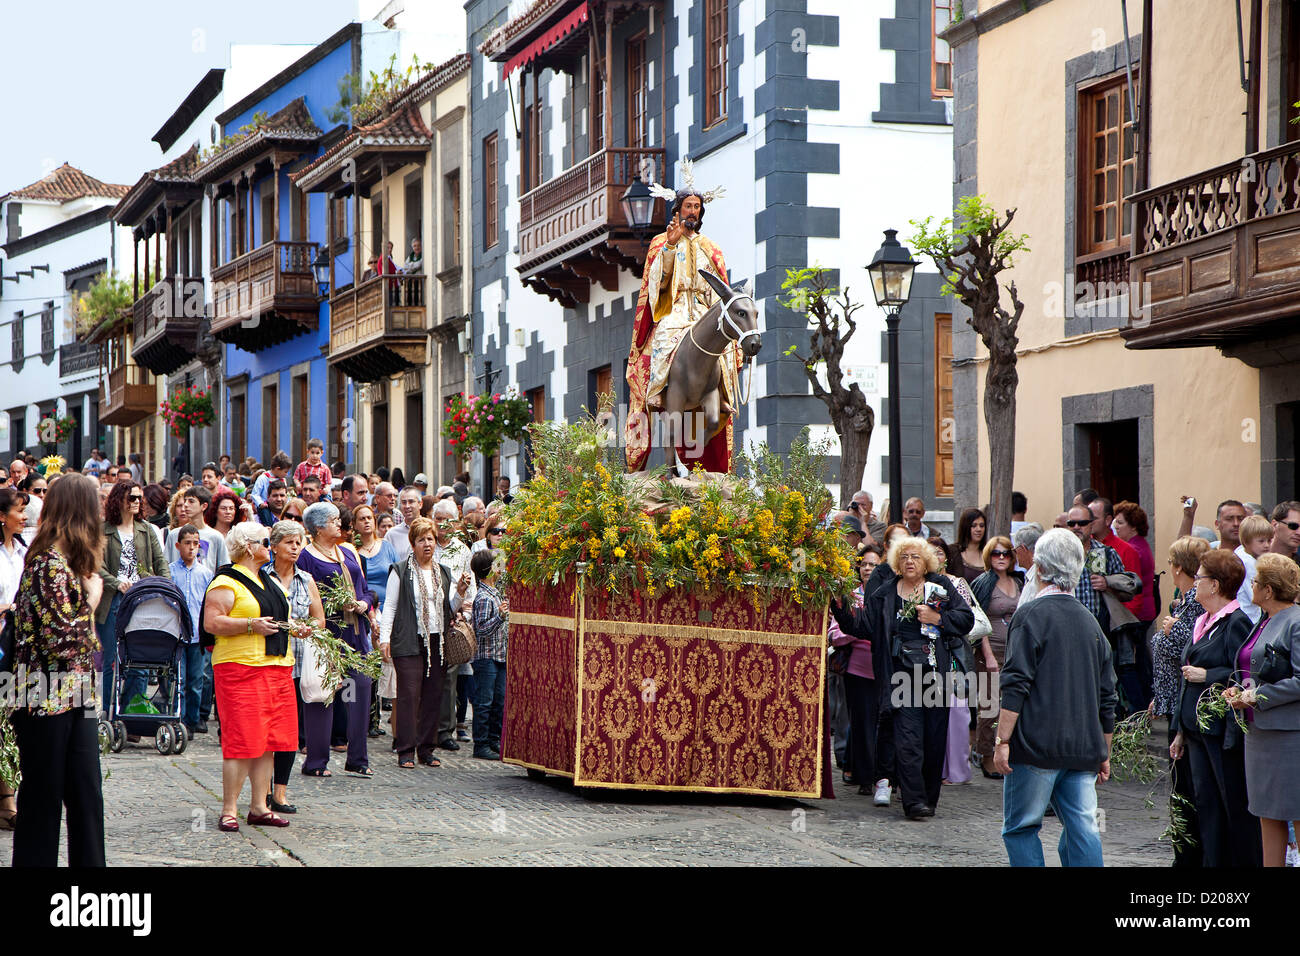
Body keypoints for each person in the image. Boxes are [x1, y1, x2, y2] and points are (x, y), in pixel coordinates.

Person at [994, 528, 1117, 867]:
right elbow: (1108, 695)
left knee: (1021, 828)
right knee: (1084, 828)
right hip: (1082, 746)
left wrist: (1002, 739)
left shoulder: (1030, 615)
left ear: (1040, 567)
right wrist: (1103, 749)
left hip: (1036, 745)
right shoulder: (1091, 623)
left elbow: (1015, 683)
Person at [831, 536, 974, 820]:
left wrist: (938, 619)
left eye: (916, 557)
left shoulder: (940, 587)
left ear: (927, 562)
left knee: (933, 741)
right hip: (900, 678)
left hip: (935, 676)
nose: (910, 561)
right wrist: (839, 605)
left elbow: (965, 619)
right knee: (907, 741)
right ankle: (914, 801)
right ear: (897, 562)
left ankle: (929, 797)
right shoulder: (884, 593)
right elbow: (862, 625)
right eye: (905, 556)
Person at [8, 475, 105, 866]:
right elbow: (59, 639)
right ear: (81, 511)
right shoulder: (47, 563)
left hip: (73, 691)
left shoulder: (64, 563)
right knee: (43, 801)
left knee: (87, 795)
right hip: (40, 693)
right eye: (95, 506)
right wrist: (93, 601)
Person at [625, 166, 741, 473]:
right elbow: (655, 284)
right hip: (673, 310)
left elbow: (720, 289)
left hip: (703, 309)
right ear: (678, 209)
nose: (693, 211)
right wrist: (670, 247)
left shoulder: (711, 249)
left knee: (723, 346)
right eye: (688, 206)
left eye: (697, 207)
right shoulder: (662, 243)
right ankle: (659, 388)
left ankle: (723, 397)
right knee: (665, 342)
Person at [201, 522, 297, 832]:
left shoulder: (266, 580)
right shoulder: (226, 581)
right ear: (248, 547)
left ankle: (259, 806)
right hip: (241, 668)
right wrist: (250, 625)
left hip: (277, 667)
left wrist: (297, 628)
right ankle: (229, 809)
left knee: (268, 741)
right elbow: (212, 623)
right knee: (241, 740)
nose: (270, 546)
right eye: (266, 542)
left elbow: (280, 619)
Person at [1168, 548, 1260, 867]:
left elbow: (1243, 672)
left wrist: (1209, 675)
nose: (1195, 583)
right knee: (1204, 802)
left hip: (1220, 730)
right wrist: (1180, 730)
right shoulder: (1202, 620)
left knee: (1228, 802)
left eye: (1200, 578)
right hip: (1195, 729)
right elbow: (1186, 674)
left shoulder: (1236, 621)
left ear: (1216, 585)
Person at [1224, 553, 1300, 867]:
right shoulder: (1263, 619)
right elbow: (1251, 667)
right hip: (1259, 735)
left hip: (1289, 737)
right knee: (1267, 815)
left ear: (1268, 590)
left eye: (1255, 581)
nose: (1251, 586)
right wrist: (1239, 691)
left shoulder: (1295, 622)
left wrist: (1257, 697)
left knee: (1296, 814)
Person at [297, 502, 374, 777]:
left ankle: (357, 758)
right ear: (318, 527)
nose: (339, 523)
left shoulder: (348, 550)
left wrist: (364, 604)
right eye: (332, 520)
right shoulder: (306, 556)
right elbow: (303, 595)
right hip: (327, 638)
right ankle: (316, 761)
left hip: (355, 637)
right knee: (323, 698)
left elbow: (364, 589)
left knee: (359, 692)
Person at [380, 517, 464, 767]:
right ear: (412, 544)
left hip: (437, 641)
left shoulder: (444, 572)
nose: (427, 544)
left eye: (430, 539)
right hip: (408, 639)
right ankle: (406, 750)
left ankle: (427, 748)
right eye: (421, 540)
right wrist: (385, 638)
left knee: (433, 695)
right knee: (408, 695)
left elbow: (449, 608)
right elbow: (390, 606)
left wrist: (459, 592)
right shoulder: (401, 570)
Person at [1152, 535, 1209, 867]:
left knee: (1186, 786)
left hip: (1184, 705)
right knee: (1180, 784)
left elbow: (1184, 652)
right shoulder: (1187, 603)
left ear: (1177, 568)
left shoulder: (1193, 606)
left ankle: (1188, 856)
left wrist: (1170, 632)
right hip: (1173, 700)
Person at [262, 520, 325, 814]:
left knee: (289, 731)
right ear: (273, 547)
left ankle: (280, 793)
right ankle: (261, 791)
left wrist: (305, 627)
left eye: (298, 542)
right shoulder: (261, 578)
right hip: (267, 662)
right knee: (265, 731)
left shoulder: (306, 579)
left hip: (297, 664)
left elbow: (319, 619)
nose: (295, 547)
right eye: (289, 542)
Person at [97, 481, 170, 721]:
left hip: (142, 599)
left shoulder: (146, 529)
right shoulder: (103, 530)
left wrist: (165, 588)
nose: (137, 501)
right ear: (119, 500)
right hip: (113, 599)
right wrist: (116, 582)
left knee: (140, 660)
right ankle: (108, 714)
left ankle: (132, 712)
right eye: (131, 498)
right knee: (111, 661)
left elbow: (160, 562)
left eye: (139, 498)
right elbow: (95, 565)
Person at [969, 536, 1023, 778]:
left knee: (1009, 704)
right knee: (989, 706)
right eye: (995, 553)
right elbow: (977, 620)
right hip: (990, 651)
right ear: (988, 556)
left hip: (1014, 651)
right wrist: (988, 655)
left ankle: (1007, 752)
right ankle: (985, 755)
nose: (1001, 558)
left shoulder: (1019, 581)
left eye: (1006, 553)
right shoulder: (983, 582)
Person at [430, 500, 476, 752]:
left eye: (448, 520)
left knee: (449, 677)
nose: (443, 525)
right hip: (428, 618)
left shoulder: (461, 550)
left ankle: (444, 730)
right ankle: (424, 726)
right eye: (439, 520)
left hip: (453, 618)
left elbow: (471, 587)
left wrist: (465, 614)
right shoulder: (425, 545)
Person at [0, 487, 28, 832]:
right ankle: (6, 800)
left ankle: (8, 796)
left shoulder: (22, 552)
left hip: (17, 646)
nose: (24, 516)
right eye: (19, 510)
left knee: (9, 721)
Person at [1111, 500, 1157, 712]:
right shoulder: (1140, 545)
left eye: (1120, 522)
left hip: (1137, 612)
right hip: (1144, 610)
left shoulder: (1134, 549)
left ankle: (1140, 707)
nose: (1115, 526)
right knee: (1139, 663)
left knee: (1132, 664)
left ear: (1134, 526)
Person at [170, 524, 213, 738]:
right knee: (179, 679)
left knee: (197, 679)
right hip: (177, 634)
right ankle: (179, 718)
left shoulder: (206, 573)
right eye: (187, 543)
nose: (191, 548)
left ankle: (193, 720)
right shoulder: (170, 571)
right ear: (178, 545)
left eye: (195, 544)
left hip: (197, 633)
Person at [469, 549, 508, 759]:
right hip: (486, 657)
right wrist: (500, 617)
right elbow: (481, 630)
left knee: (498, 701)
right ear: (490, 569)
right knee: (484, 702)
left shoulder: (495, 592)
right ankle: (481, 744)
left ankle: (494, 740)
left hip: (500, 655)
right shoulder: (484, 597)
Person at [165, 486, 229, 573]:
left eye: (191, 501)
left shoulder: (215, 536)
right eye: (185, 501)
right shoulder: (174, 534)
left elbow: (224, 569)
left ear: (204, 506)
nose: (186, 505)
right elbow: (165, 566)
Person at [1231, 515, 1272, 625]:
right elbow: (1257, 597)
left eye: (1269, 540)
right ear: (1246, 541)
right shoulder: (1249, 564)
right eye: (1261, 541)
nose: (1267, 545)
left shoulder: (1240, 554)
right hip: (1250, 618)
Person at [386, 486, 424, 561]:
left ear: (420, 504)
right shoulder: (392, 535)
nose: (407, 506)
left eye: (411, 502)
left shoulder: (431, 530)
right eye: (404, 502)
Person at [950, 508, 987, 583]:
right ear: (965, 527)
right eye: (974, 525)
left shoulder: (990, 552)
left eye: (982, 525)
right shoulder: (952, 552)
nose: (979, 529)